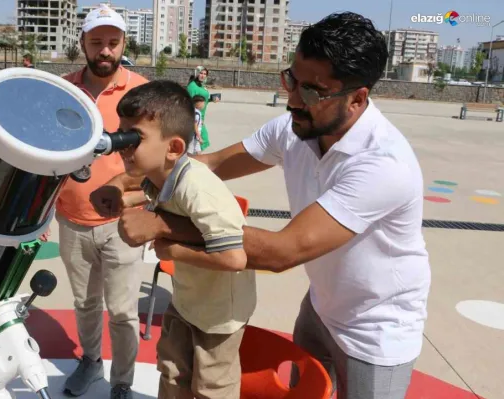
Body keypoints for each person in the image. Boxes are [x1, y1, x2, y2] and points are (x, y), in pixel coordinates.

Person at [100, 12, 431, 399]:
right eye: (291, 79)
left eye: (311, 92)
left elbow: (280, 252)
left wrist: (160, 225)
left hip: (376, 329)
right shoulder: (294, 127)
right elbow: (208, 166)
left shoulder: (382, 165)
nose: (292, 99)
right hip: (321, 305)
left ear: (357, 99)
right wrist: (120, 183)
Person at [114, 80, 256, 398]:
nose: (121, 144)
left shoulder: (197, 187)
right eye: (121, 132)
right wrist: (121, 198)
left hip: (220, 314)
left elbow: (234, 258)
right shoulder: (160, 176)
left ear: (174, 147)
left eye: (133, 137)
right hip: (188, 300)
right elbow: (149, 194)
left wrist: (170, 248)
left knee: (211, 387)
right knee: (172, 372)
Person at [55, 4, 148, 398]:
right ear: (83, 44)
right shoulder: (63, 89)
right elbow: (49, 154)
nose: (105, 50)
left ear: (124, 43)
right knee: (85, 303)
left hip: (122, 225)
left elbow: (158, 160)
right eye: (97, 42)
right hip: (72, 221)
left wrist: (138, 198)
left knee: (124, 313)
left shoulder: (143, 92)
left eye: (112, 42)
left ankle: (122, 382)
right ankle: (90, 360)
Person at [186, 66, 217, 151]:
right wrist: (196, 118)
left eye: (204, 74)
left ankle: (195, 158)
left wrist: (211, 99)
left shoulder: (201, 85)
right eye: (201, 73)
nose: (203, 76)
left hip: (201, 116)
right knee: (201, 139)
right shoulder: (192, 87)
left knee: (199, 141)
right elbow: (189, 103)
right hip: (196, 117)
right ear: (196, 73)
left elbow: (201, 100)